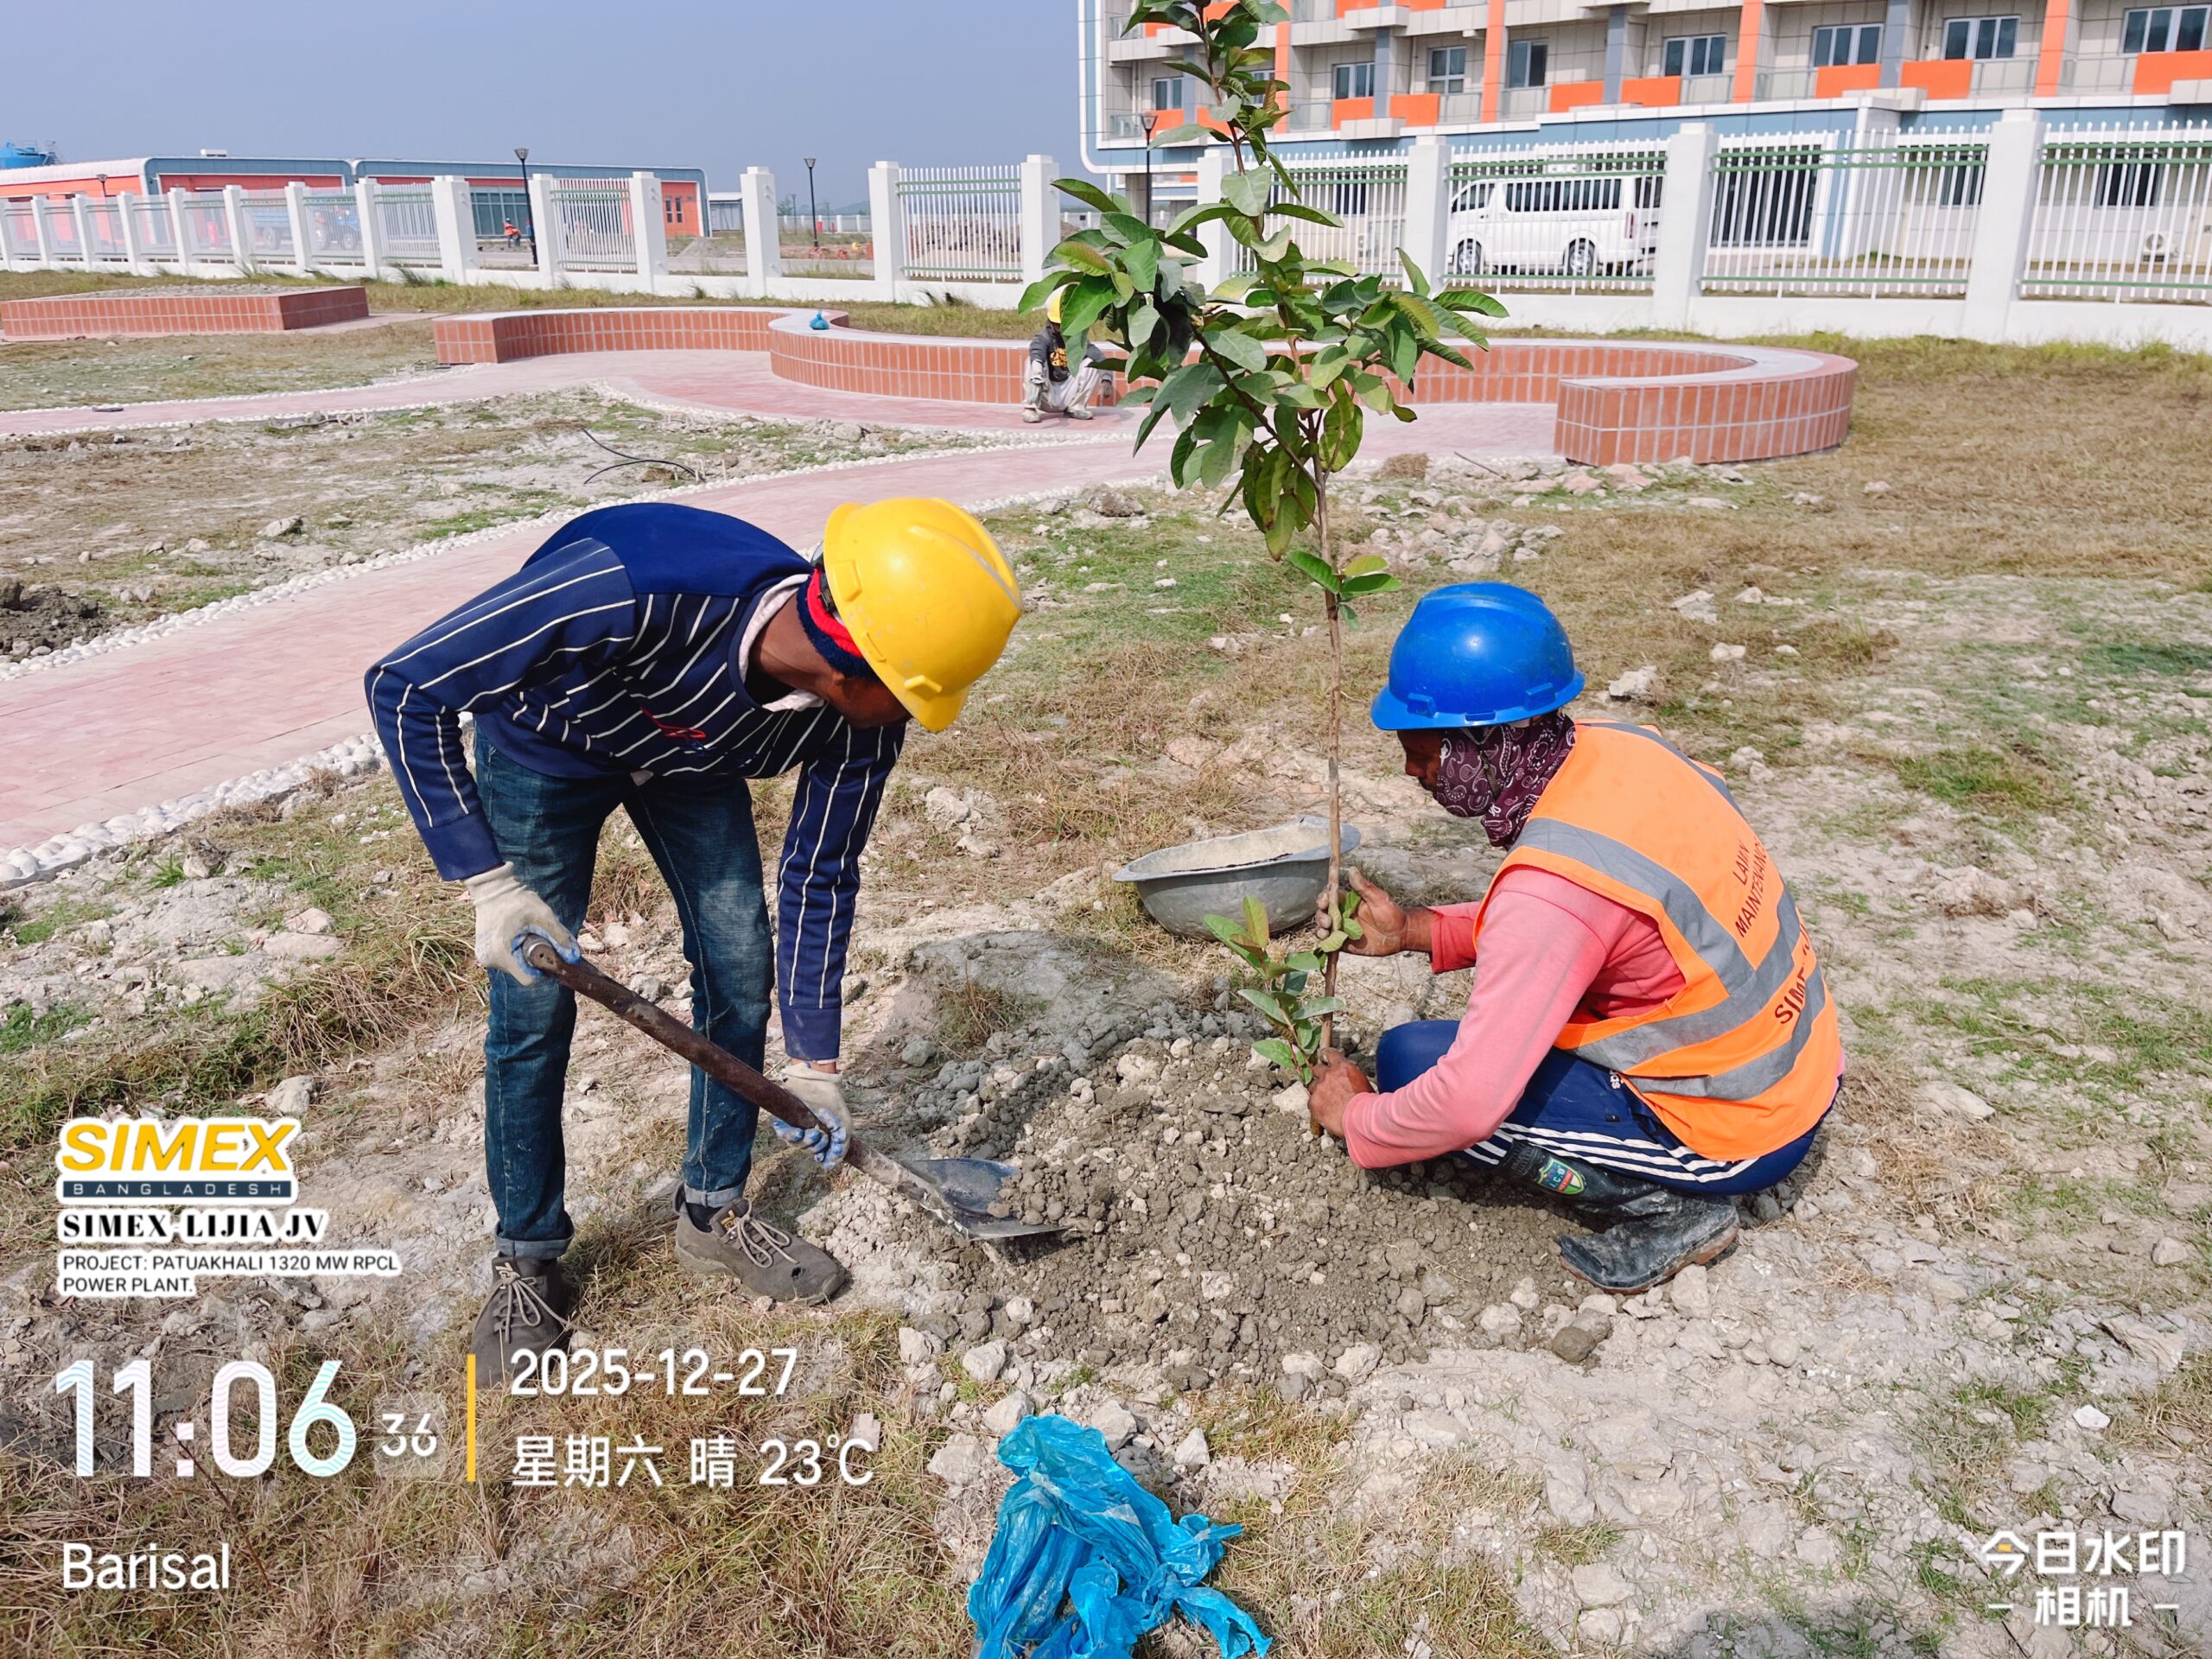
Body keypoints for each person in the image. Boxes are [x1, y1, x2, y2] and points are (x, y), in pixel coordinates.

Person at [365, 499, 1021, 1381]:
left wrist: (816, 1068)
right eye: (913, 692)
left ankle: (712, 1211)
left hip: (689, 759)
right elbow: (403, 684)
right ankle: (527, 1255)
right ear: (849, 665)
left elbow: (819, 875)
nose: (918, 714)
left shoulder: (859, 721)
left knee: (739, 964)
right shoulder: (628, 590)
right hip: (547, 745)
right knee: (531, 1009)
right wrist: (486, 881)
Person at [1305, 583, 1843, 1294]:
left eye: (1421, 749)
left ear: (1480, 743)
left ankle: (1671, 1210)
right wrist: (1416, 930)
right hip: (1794, 1066)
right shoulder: (1624, 753)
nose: (1412, 771)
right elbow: (1608, 921)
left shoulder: (1552, 895)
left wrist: (1358, 1119)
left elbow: (1469, 1102)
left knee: (1413, 1068)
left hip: (1742, 1131)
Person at [1022, 289, 1103, 423]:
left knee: (1091, 363)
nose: (1060, 328)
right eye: (1057, 324)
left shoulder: (1078, 340)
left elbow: (1100, 358)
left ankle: (1076, 407)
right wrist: (1037, 374)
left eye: (1063, 324)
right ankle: (1030, 408)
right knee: (1031, 361)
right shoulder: (1044, 338)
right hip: (1045, 394)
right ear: (1050, 322)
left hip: (1068, 393)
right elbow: (1036, 352)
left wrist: (1107, 380)